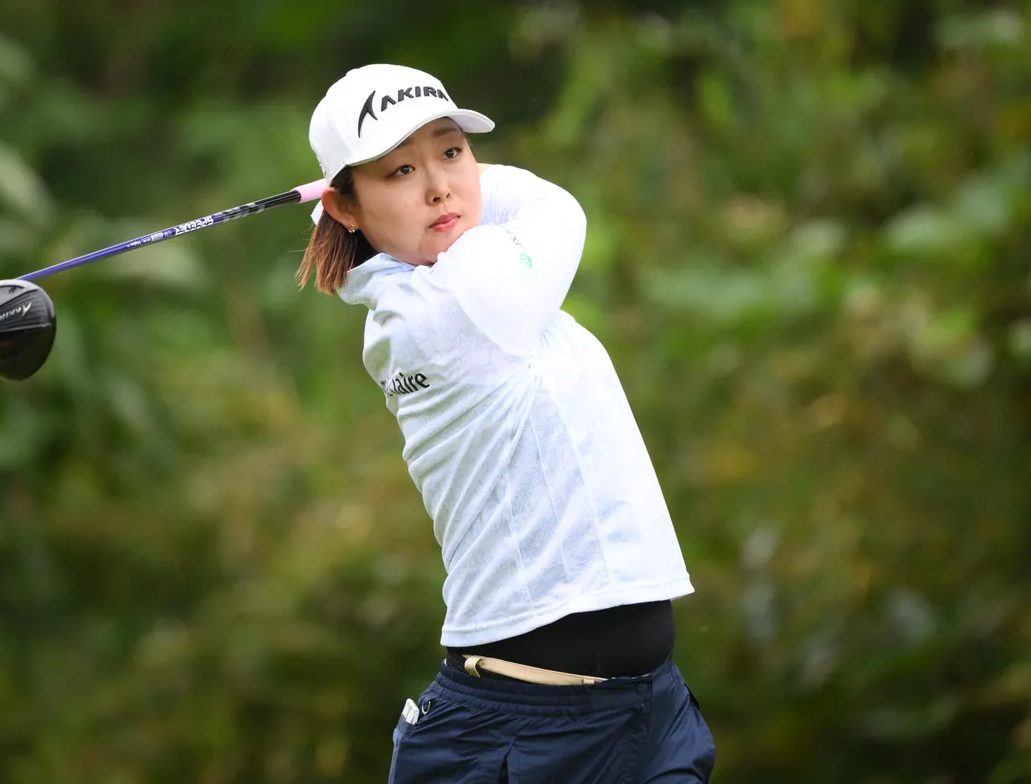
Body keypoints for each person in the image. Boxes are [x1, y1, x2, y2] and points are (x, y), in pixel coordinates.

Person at [296, 63, 716, 783]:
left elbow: (497, 206)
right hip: (515, 738)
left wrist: (411, 179)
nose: (439, 188)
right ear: (344, 207)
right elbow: (557, 206)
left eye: (452, 150)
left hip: (648, 715)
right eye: (401, 170)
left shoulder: (453, 281)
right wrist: (462, 177)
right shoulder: (446, 308)